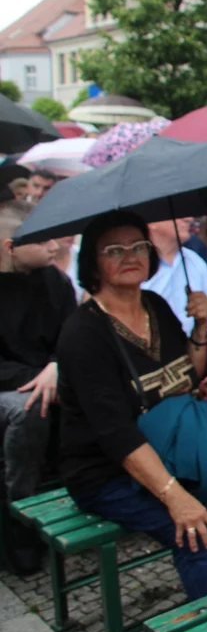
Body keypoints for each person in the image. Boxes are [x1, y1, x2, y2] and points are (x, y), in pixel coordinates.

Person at [57, 210, 207, 600]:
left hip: (170, 451)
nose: (129, 255)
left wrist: (200, 329)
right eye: (114, 249)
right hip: (108, 471)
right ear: (92, 263)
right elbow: (116, 435)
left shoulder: (154, 305)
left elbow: (188, 377)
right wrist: (175, 497)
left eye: (138, 246)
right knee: (194, 532)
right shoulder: (83, 335)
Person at [0, 202, 74, 574]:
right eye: (42, 239)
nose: (54, 247)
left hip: (53, 375)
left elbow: (72, 335)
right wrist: (41, 376)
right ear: (10, 246)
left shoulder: (55, 281)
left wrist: (58, 368)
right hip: (13, 387)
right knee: (29, 409)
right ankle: (22, 520)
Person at [144, 217, 207, 336]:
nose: (189, 219)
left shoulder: (194, 260)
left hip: (195, 346)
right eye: (179, 216)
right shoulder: (138, 265)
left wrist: (203, 318)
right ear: (152, 223)